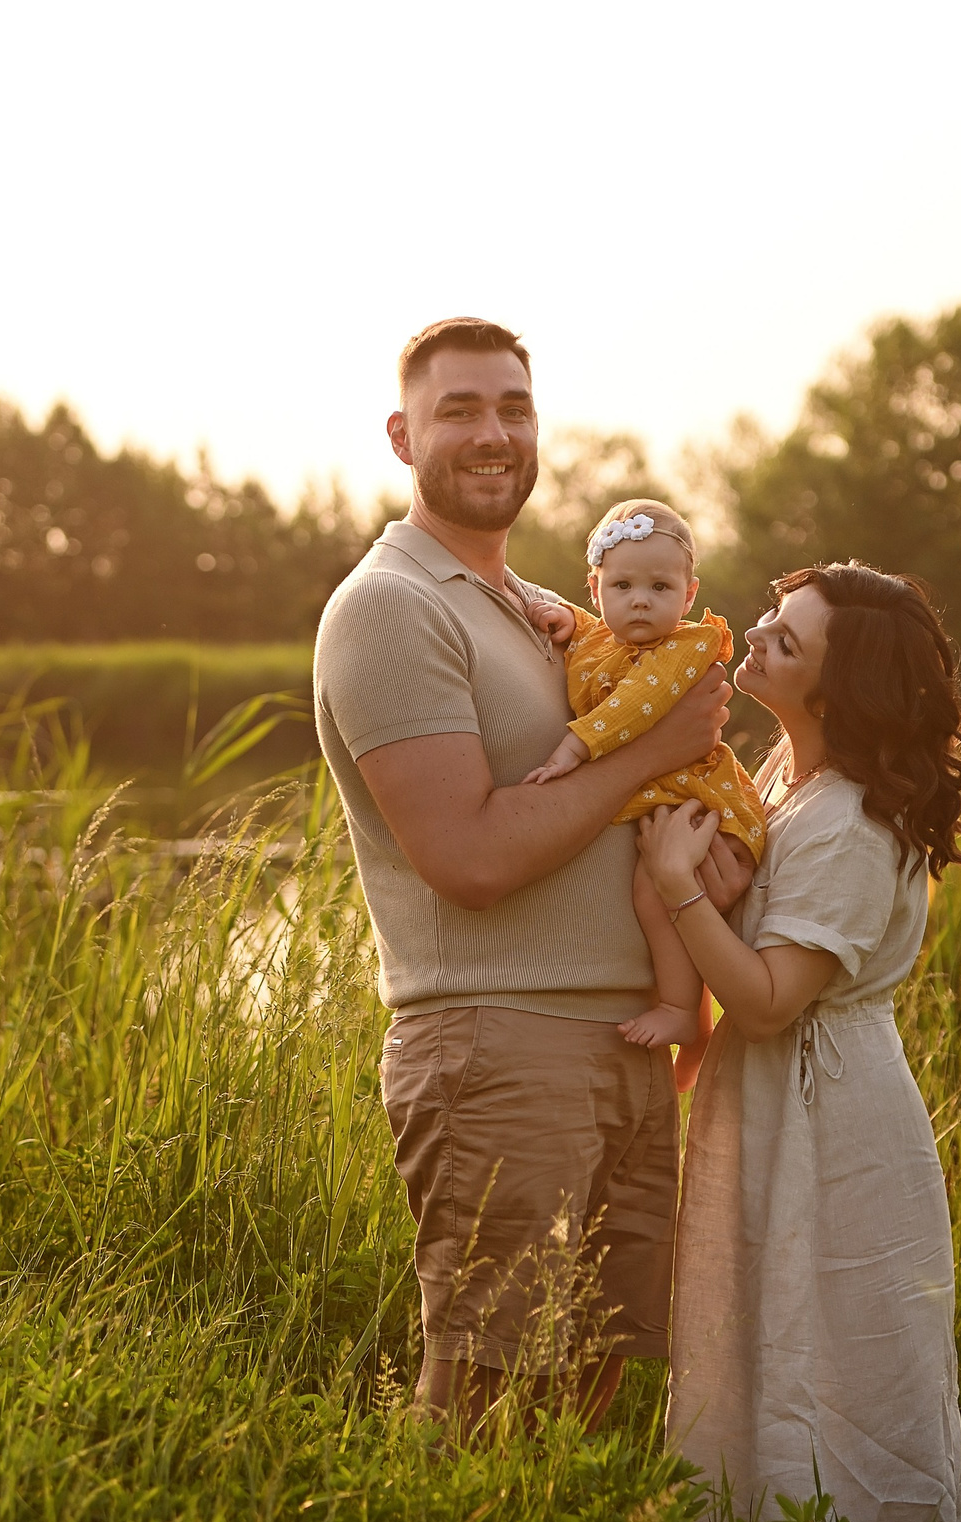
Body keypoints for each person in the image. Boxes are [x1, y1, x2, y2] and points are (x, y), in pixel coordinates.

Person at [311, 318, 750, 1434]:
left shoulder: (545, 611)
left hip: (620, 1048)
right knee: (484, 1402)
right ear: (403, 436)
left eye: (514, 407)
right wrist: (655, 752)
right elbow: (466, 859)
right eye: (460, 409)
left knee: (592, 1398)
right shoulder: (389, 608)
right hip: (497, 1045)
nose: (493, 432)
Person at [638, 562, 961, 1522]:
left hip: (827, 1107)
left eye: (784, 640)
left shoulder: (845, 819)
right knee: (769, 1323)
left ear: (833, 694)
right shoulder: (791, 787)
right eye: (769, 622)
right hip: (780, 1097)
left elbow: (769, 1001)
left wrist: (673, 887)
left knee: (837, 1338)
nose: (755, 638)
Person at [514, 499, 768, 1050]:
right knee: (665, 897)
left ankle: (680, 1010)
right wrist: (568, 621)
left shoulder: (681, 649)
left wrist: (574, 749)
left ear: (689, 594)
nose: (640, 603)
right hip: (671, 804)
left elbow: (634, 706)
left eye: (660, 588)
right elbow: (590, 635)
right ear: (595, 588)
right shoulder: (603, 638)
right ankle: (697, 1033)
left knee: (655, 892)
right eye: (622, 587)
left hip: (701, 807)